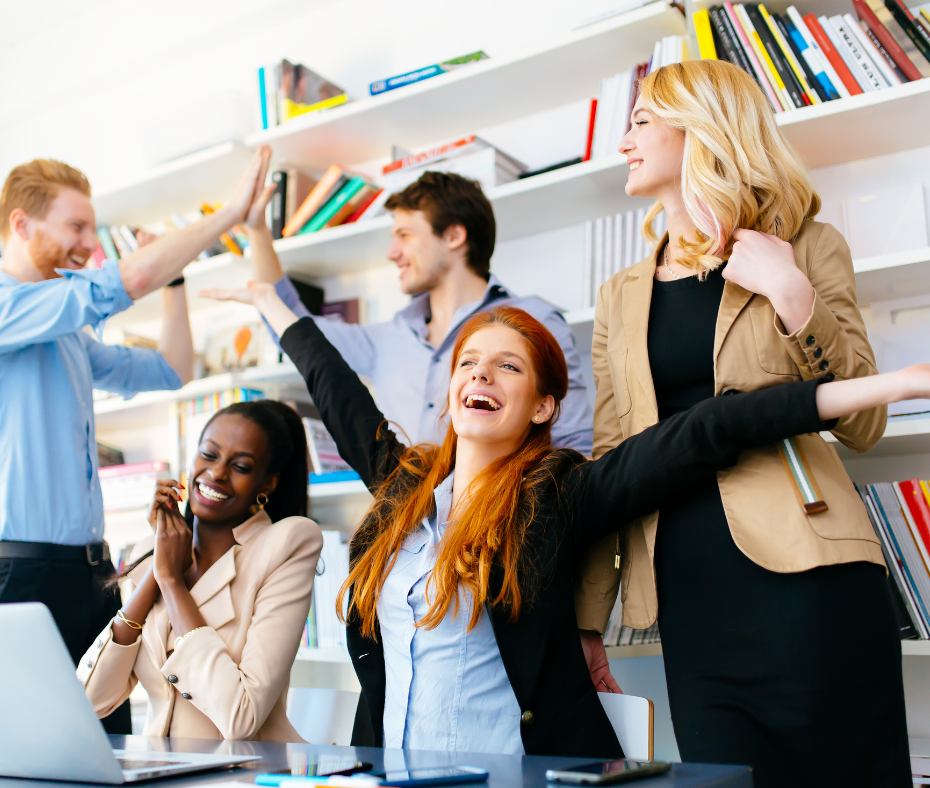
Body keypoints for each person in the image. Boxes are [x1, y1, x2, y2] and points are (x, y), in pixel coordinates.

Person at [203, 280, 929, 759]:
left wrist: (892, 385)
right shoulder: (404, 487)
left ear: (545, 406)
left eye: (508, 368)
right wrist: (273, 302)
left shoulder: (559, 494)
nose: (480, 376)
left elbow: (708, 428)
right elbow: (337, 389)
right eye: (469, 363)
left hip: (517, 776)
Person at [590, 59, 909, 786]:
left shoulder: (806, 244)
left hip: (812, 582)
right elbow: (611, 465)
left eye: (640, 121)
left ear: (699, 126)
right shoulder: (619, 294)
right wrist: (586, 619)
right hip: (689, 600)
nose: (624, 142)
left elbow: (864, 423)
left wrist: (792, 291)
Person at [236, 158, 619, 690]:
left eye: (404, 235)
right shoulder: (389, 336)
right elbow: (300, 334)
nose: (392, 252)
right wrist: (257, 229)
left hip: (500, 563)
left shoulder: (527, 324)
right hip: (410, 562)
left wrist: (574, 610)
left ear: (454, 236)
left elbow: (572, 457)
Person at [0, 148, 270, 733]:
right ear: (21, 223)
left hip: (89, 573)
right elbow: (119, 283)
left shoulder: (66, 332)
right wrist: (229, 216)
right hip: (17, 576)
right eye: (76, 226)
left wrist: (175, 282)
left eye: (94, 228)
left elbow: (172, 367)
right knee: (24, 746)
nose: (91, 243)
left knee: (104, 743)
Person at [76, 400, 322, 742]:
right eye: (209, 455)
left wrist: (173, 583)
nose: (217, 472)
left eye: (240, 466)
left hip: (246, 775)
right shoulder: (151, 552)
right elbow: (90, 701)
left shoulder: (286, 543)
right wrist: (157, 567)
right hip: (162, 774)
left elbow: (241, 719)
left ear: (266, 485)